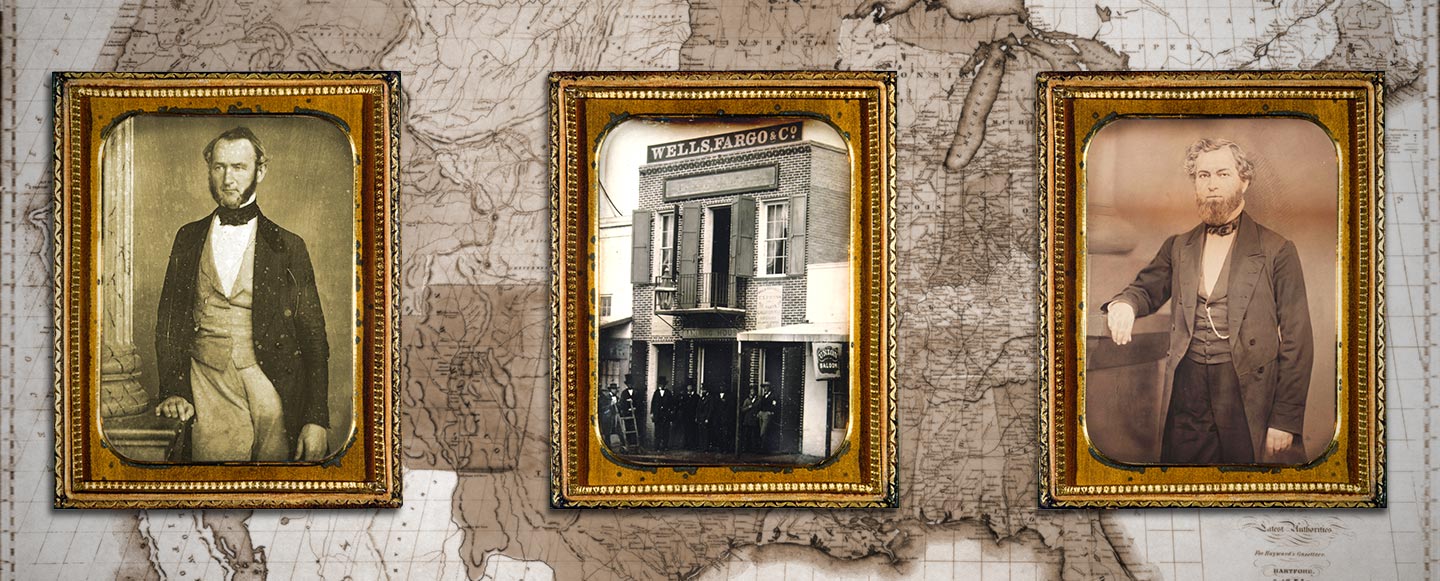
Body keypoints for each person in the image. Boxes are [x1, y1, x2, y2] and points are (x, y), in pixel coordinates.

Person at [1104, 138, 1313, 465]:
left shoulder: (1277, 250)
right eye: (1203, 176)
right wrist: (1124, 305)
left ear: (1244, 181)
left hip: (1244, 391)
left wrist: (1284, 419)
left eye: (1222, 174)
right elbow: (1145, 289)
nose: (1212, 184)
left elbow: (1298, 340)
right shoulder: (1178, 246)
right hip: (1187, 388)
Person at [153, 127, 330, 462]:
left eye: (238, 167)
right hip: (205, 379)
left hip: (268, 379)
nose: (227, 179)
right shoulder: (188, 238)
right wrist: (174, 390)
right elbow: (169, 322)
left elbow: (313, 337)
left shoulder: (288, 246)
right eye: (219, 167)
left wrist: (316, 418)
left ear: (260, 171)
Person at [739, 382, 778, 454]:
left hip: (766, 414)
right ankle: (759, 448)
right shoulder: (763, 396)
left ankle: (763, 449)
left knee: (763, 432)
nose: (765, 388)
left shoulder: (772, 396)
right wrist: (759, 412)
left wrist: (772, 412)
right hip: (760, 414)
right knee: (759, 432)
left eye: (766, 387)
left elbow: (774, 406)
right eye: (764, 387)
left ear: (769, 387)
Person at [650, 377, 675, 451]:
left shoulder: (668, 393)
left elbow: (672, 404)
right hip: (658, 415)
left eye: (662, 384)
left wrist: (670, 413)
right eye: (660, 384)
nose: (661, 386)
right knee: (657, 431)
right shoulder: (656, 393)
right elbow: (653, 404)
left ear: (665, 385)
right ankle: (657, 446)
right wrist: (652, 413)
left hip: (666, 415)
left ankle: (665, 446)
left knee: (665, 431)